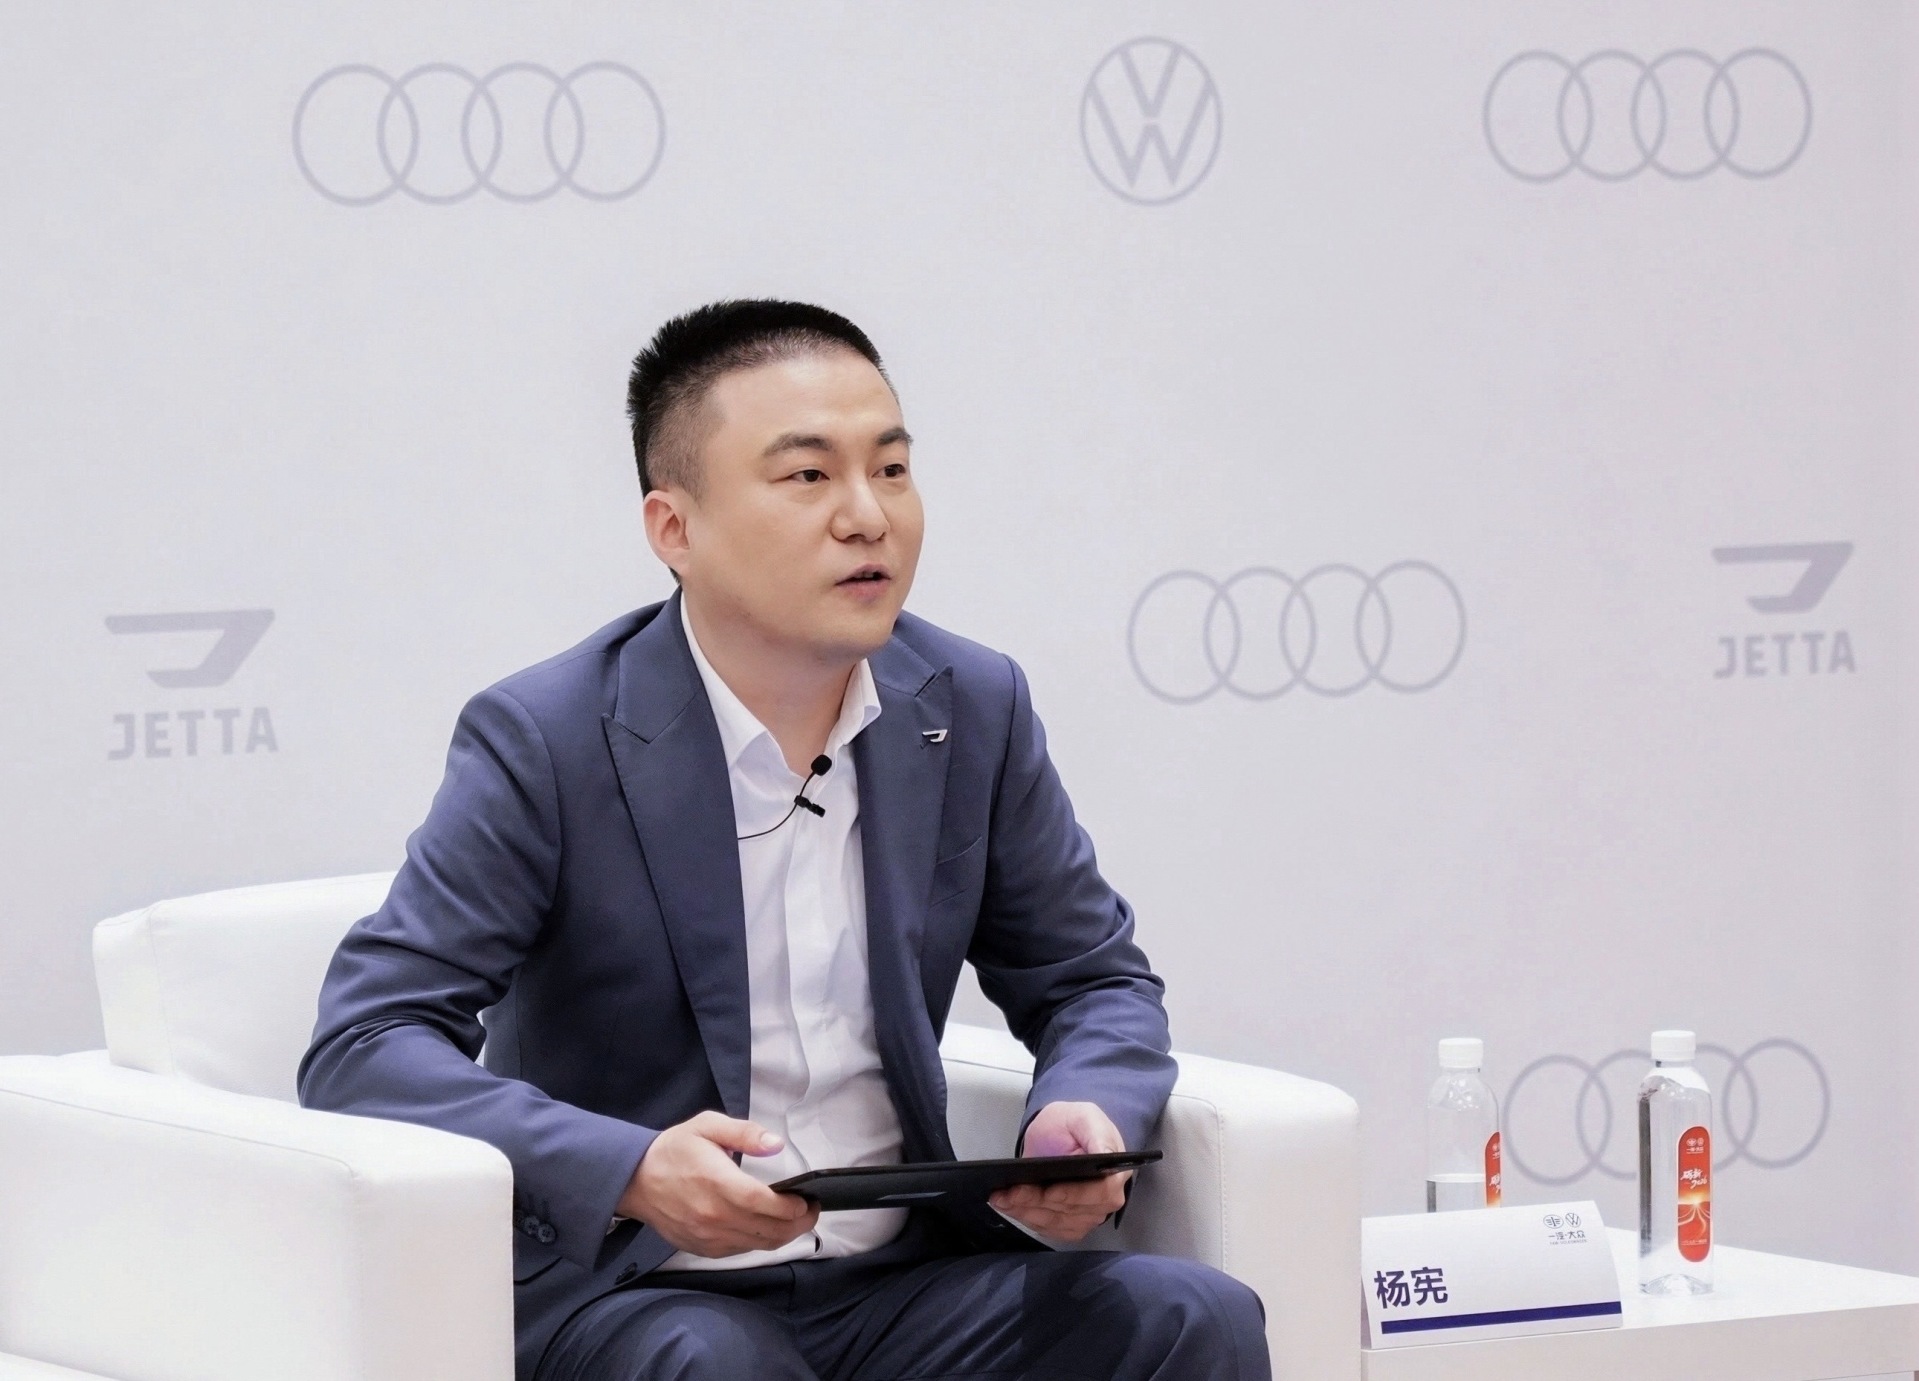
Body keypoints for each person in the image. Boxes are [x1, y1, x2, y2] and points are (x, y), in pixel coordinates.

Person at [298, 299, 1270, 1381]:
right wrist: (629, 1167)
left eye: (891, 470)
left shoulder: (969, 704)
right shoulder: (550, 738)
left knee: (1187, 1316)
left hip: (901, 1286)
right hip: (640, 1295)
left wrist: (1084, 1110)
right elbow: (367, 1042)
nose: (867, 517)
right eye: (808, 475)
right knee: (716, 1365)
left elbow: (1091, 978)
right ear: (674, 528)